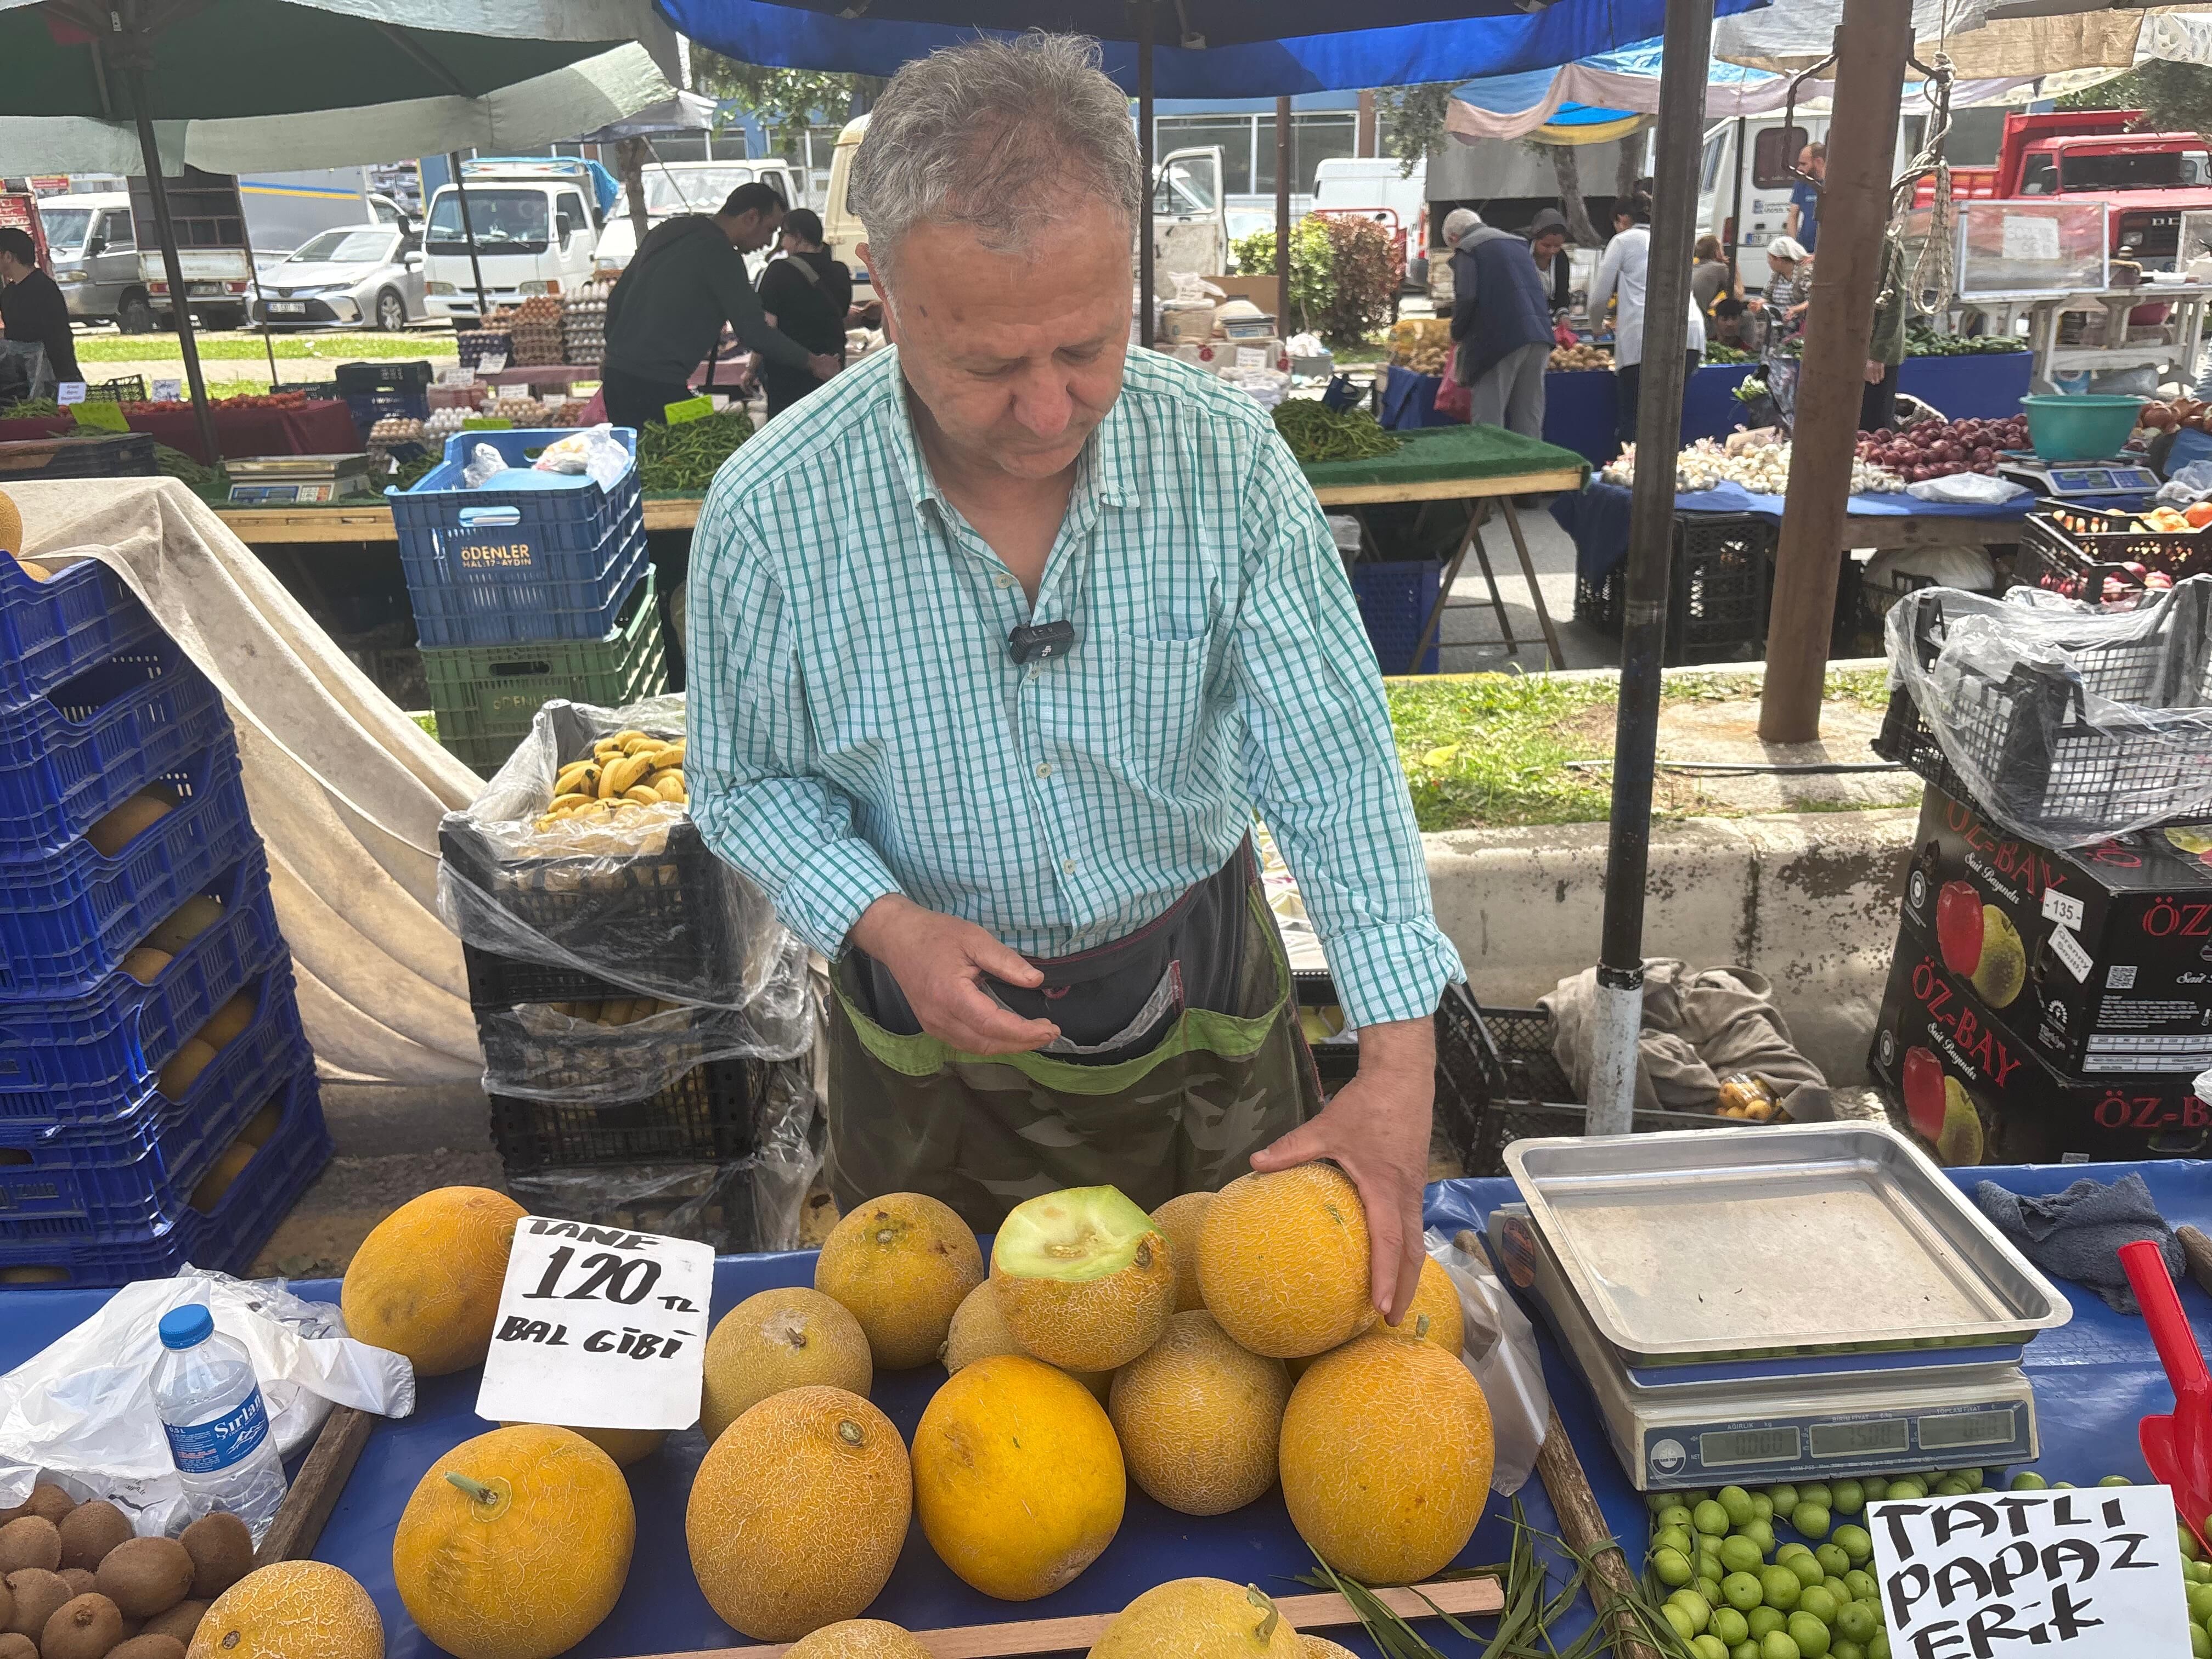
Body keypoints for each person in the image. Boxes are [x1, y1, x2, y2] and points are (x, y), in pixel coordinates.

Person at [686, 32, 1460, 1323]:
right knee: (956, 1384)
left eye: (1088, 350)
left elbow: (1332, 765)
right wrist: (886, 924)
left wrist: (1398, 1052)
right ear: (882, 285)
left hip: (1191, 984)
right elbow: (746, 783)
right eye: (989, 365)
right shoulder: (771, 514)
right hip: (922, 1029)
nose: (1047, 411)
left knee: (1235, 1348)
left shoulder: (1226, 465)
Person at [599, 183, 840, 429]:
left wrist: (615, 355)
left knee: (667, 436)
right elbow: (755, 332)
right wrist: (813, 362)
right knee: (690, 443)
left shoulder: (669, 230)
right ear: (751, 217)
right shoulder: (723, 255)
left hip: (616, 378)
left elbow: (617, 299)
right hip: (657, 390)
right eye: (770, 230)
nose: (769, 243)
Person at [1586, 194, 1706, 443]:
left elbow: (1599, 297)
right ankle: (1665, 477)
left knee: (1635, 418)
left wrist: (1596, 326)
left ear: (1622, 219)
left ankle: (1629, 478)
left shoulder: (1623, 240)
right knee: (1668, 418)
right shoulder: (1674, 239)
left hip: (1644, 339)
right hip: (1690, 334)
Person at [1444, 207, 1554, 438]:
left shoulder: (1468, 248)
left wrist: (1456, 332)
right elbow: (1542, 288)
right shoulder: (1518, 244)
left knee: (1489, 421)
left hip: (1499, 342)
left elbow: (1467, 297)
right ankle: (1532, 470)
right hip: (1539, 336)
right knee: (1529, 416)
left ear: (1454, 238)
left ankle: (1491, 471)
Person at [755, 208, 854, 420]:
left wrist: (751, 368)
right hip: (832, 373)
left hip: (789, 377)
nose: (783, 244)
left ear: (798, 237)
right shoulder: (840, 271)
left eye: (784, 236)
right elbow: (840, 318)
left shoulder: (779, 271)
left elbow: (767, 329)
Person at [0, 227, 80, 387]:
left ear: (8, 257)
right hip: (22, 379)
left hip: (59, 376)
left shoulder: (43, 288)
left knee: (64, 412)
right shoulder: (9, 292)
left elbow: (58, 339)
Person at [1751, 235, 1810, 427]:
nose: (1768, 262)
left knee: (1791, 378)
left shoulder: (1804, 273)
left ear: (1779, 259)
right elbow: (1767, 296)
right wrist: (1759, 304)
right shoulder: (1776, 276)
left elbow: (1815, 299)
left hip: (1797, 336)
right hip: (1777, 335)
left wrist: (1796, 310)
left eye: (1770, 258)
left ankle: (1793, 419)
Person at [1863, 238, 1908, 432]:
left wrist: (1877, 355)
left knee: (1874, 429)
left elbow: (1894, 302)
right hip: (1852, 350)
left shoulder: (1887, 247)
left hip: (1875, 351)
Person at [1526, 208, 1573, 311]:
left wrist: (1563, 314)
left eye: (1557, 246)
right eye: (1546, 245)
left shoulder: (1561, 258)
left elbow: (1562, 295)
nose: (1552, 251)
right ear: (1535, 239)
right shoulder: (1522, 255)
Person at [1786, 143, 1826, 256]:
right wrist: (1794, 246)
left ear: (1818, 162)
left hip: (1825, 251)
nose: (1799, 168)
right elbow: (1793, 216)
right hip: (1805, 249)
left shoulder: (1833, 185)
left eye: (1804, 164)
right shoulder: (1802, 183)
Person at [1691, 235, 1737, 317]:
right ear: (1717, 253)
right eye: (1722, 248)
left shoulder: (1694, 267)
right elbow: (1738, 295)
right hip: (1701, 319)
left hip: (1691, 315)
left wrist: (1719, 300)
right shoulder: (1720, 268)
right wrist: (1735, 267)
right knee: (1748, 317)